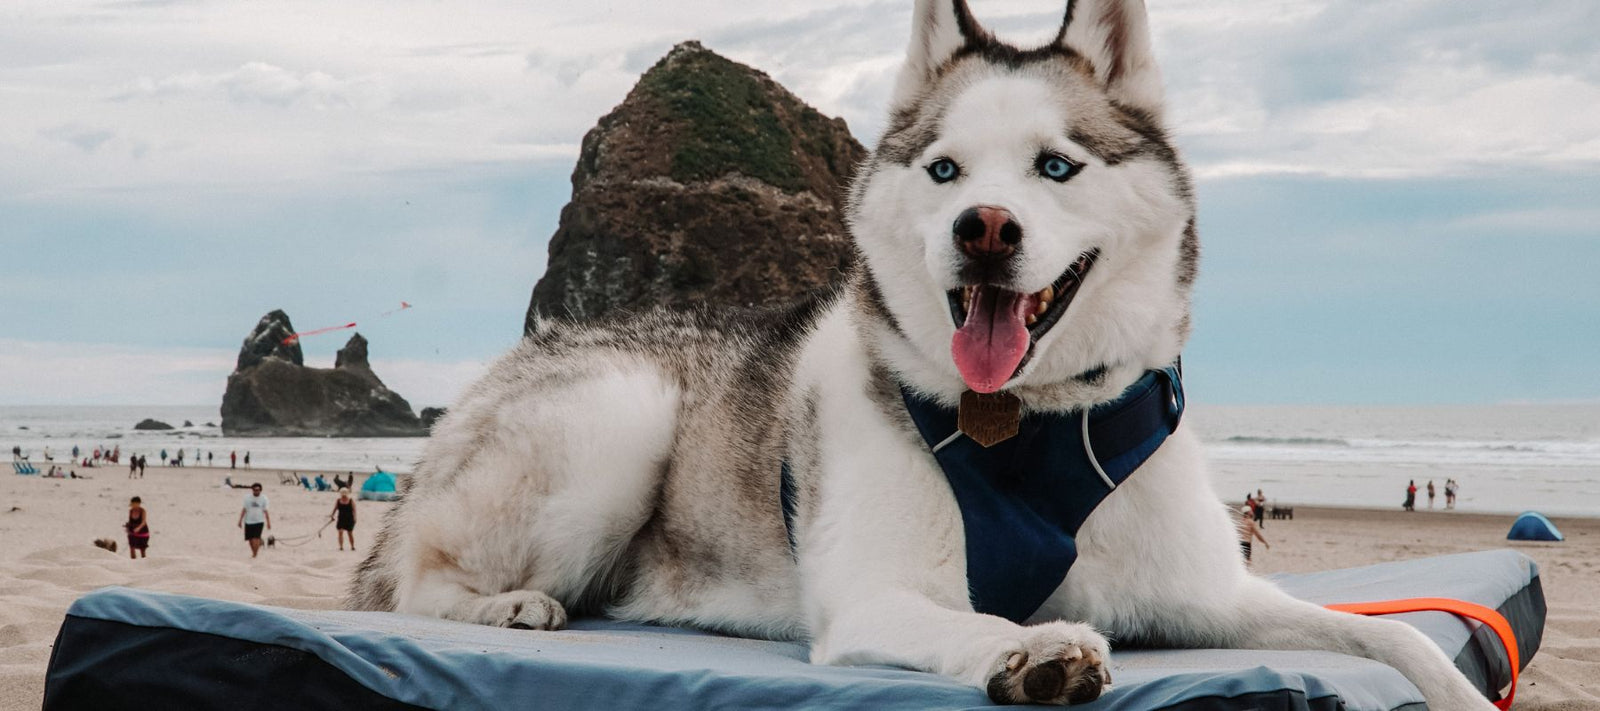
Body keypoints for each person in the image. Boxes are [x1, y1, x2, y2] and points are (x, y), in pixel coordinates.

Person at [237, 483, 272, 558]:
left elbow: (266, 511)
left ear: (260, 490)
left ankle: (255, 554)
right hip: (248, 521)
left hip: (259, 521)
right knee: (250, 540)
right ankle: (254, 552)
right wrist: (240, 520)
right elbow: (244, 509)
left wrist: (268, 522)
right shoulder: (247, 498)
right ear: (252, 490)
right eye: (255, 490)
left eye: (258, 490)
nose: (256, 491)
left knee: (256, 538)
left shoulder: (264, 498)